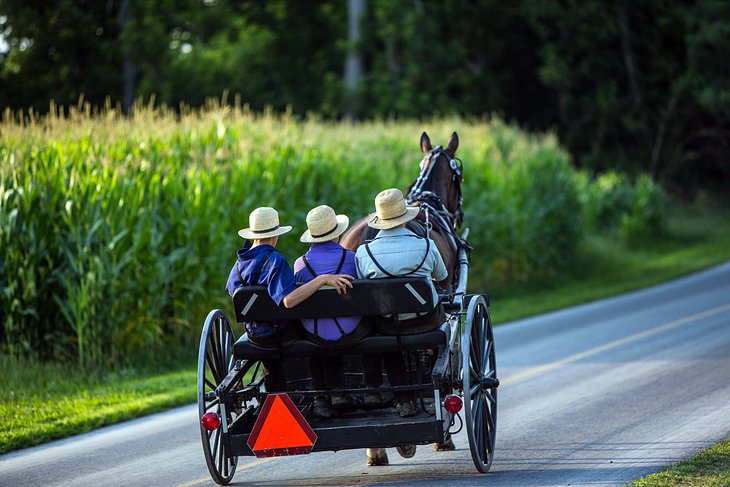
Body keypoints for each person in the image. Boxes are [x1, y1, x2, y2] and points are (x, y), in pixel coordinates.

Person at [226, 206, 354, 393]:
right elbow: (288, 301)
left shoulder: (239, 264)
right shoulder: (275, 261)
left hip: (255, 334)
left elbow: (233, 290)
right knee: (308, 328)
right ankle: (321, 392)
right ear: (275, 235)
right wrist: (322, 279)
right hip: (279, 334)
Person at [355, 188, 448, 418]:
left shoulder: (364, 252)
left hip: (388, 324)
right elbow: (442, 277)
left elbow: (362, 288)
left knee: (385, 334)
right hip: (426, 321)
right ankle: (431, 373)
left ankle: (404, 400)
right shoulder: (426, 245)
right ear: (406, 217)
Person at [293, 205, 372, 418]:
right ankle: (373, 389)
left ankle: (324, 397)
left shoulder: (300, 265)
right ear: (337, 233)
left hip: (316, 333)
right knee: (372, 322)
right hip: (351, 331)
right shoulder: (351, 258)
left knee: (315, 330)